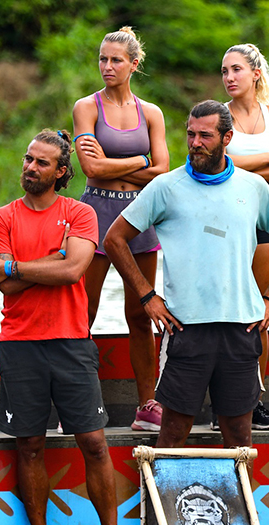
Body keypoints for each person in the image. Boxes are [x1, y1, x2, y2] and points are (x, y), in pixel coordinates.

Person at [104, 100, 269, 451]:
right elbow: (114, 239)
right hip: (186, 328)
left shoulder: (253, 186)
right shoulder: (166, 186)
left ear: (227, 138)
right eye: (191, 134)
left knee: (239, 438)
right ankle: (163, 490)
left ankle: (238, 492)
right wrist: (147, 296)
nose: (195, 143)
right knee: (173, 433)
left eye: (205, 136)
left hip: (241, 327)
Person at [0, 129, 120, 525]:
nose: (30, 167)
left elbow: (73, 270)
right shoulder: (1, 218)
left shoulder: (80, 213)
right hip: (19, 344)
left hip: (71, 342)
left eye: (41, 162)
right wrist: (52, 258)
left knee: (94, 443)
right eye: (28, 159)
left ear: (61, 172)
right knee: (30, 446)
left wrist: (18, 266)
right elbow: (5, 285)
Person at [72, 27, 170, 432]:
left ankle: (147, 406)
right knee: (83, 313)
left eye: (116, 60)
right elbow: (90, 168)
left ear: (134, 64)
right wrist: (139, 160)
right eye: (103, 58)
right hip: (94, 215)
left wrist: (115, 163)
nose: (107, 66)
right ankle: (76, 406)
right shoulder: (86, 107)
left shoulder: (151, 113)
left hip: (139, 219)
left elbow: (163, 171)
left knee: (140, 314)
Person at [221, 43, 269, 431]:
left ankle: (254, 401)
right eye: (224, 71)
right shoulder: (220, 116)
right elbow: (219, 165)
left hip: (264, 218)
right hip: (224, 220)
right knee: (225, 310)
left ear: (255, 73)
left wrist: (240, 166)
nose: (229, 77)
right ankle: (224, 402)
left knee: (258, 312)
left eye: (236, 69)